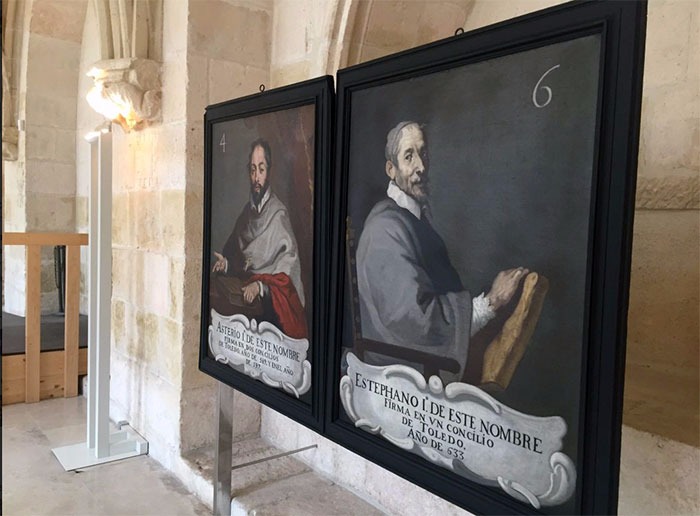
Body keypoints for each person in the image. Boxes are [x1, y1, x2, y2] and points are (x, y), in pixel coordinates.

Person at [355, 121, 527, 378]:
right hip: (402, 373)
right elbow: (416, 321)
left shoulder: (411, 219)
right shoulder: (385, 229)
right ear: (391, 169)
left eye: (423, 153)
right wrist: (490, 303)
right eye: (409, 156)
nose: (421, 167)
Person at [212, 138, 307, 339]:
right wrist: (227, 265)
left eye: (261, 170)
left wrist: (261, 288)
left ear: (268, 172)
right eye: (253, 170)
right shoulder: (247, 214)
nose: (256, 177)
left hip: (271, 315)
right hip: (245, 308)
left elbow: (287, 277)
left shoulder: (279, 215)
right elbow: (245, 262)